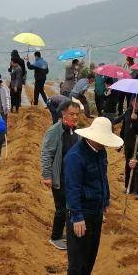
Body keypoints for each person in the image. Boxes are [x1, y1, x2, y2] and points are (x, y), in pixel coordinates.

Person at [64, 117, 123, 275]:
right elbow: (72, 188)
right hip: (82, 212)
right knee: (78, 254)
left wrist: (105, 199)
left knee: (91, 252)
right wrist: (77, 216)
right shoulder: (75, 157)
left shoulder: (100, 152)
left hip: (96, 209)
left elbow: (102, 178)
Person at [41, 100, 82, 250]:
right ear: (64, 113)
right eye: (72, 114)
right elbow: (46, 154)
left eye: (77, 115)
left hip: (71, 176)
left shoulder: (75, 131)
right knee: (61, 208)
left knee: (69, 205)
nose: (75, 117)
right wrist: (47, 176)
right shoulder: (55, 131)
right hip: (59, 175)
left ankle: (62, 232)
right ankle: (55, 237)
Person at [113, 96, 138, 196]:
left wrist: (136, 120)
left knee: (137, 166)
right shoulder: (129, 111)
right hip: (128, 144)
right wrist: (110, 121)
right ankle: (129, 187)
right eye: (135, 101)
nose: (136, 104)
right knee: (128, 165)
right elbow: (121, 120)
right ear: (132, 101)